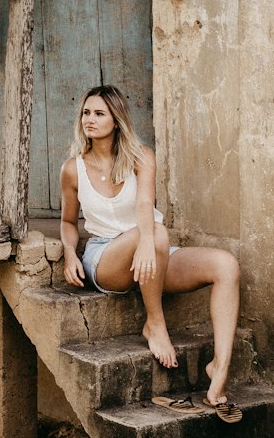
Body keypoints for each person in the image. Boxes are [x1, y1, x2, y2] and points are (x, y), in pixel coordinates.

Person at [59, 84, 242, 420]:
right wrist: (70, 253)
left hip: (152, 248)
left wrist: (147, 239)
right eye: (86, 112)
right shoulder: (74, 168)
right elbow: (69, 221)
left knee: (225, 265)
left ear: (116, 120)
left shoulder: (142, 157)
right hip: (107, 259)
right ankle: (155, 324)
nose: (90, 119)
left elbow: (145, 204)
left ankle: (219, 370)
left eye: (99, 113)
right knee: (156, 233)